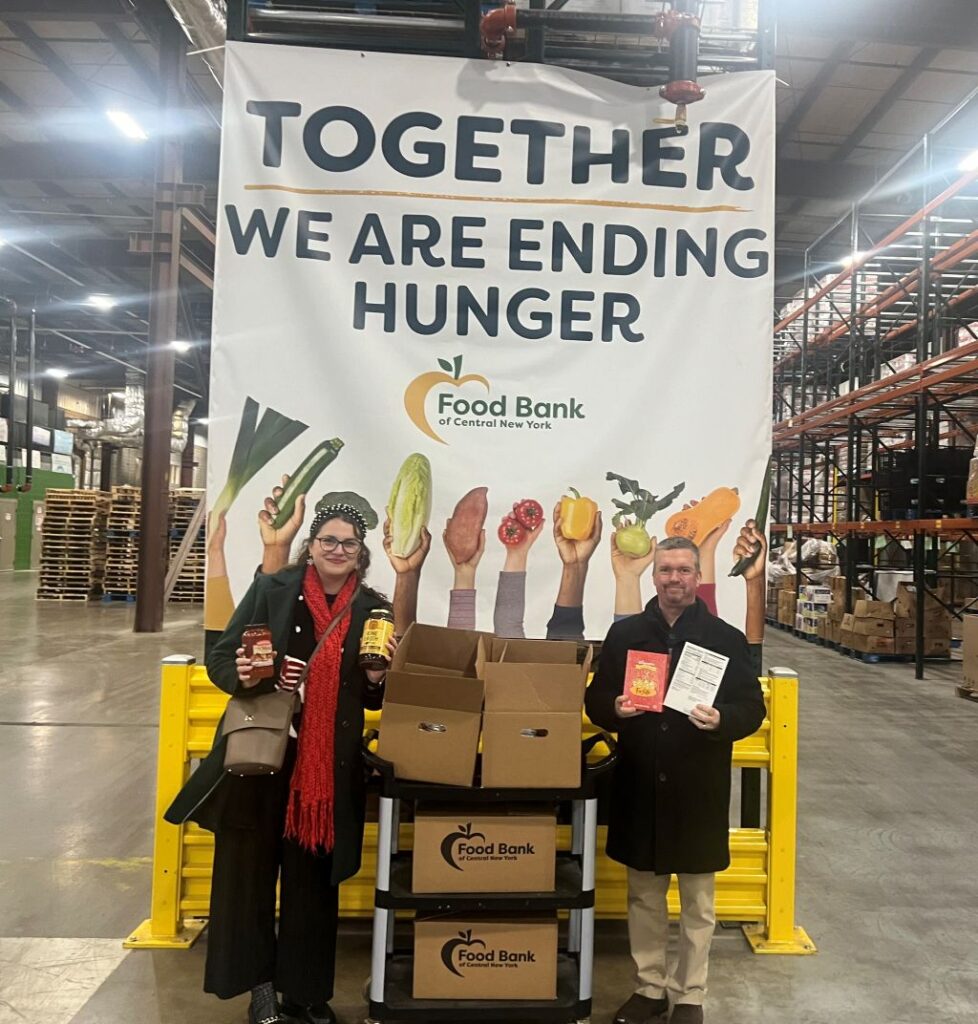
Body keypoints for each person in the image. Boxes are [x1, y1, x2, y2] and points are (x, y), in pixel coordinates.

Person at [165, 494, 393, 1024]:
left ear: (361, 555)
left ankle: (307, 994)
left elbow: (374, 696)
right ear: (310, 547)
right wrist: (253, 674)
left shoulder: (373, 610)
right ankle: (260, 990)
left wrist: (378, 678)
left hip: (327, 770)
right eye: (328, 540)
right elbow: (222, 658)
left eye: (349, 544)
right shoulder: (272, 591)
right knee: (247, 879)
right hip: (262, 762)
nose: (339, 550)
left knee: (313, 886)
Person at [585, 536, 765, 1024]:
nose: (674, 579)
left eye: (684, 570)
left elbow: (752, 708)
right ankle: (649, 987)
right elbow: (596, 699)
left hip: (696, 785)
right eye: (666, 570)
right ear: (654, 575)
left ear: (697, 576)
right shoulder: (625, 637)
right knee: (643, 895)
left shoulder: (724, 639)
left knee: (698, 902)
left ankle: (690, 995)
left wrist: (722, 719)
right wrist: (614, 709)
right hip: (640, 780)